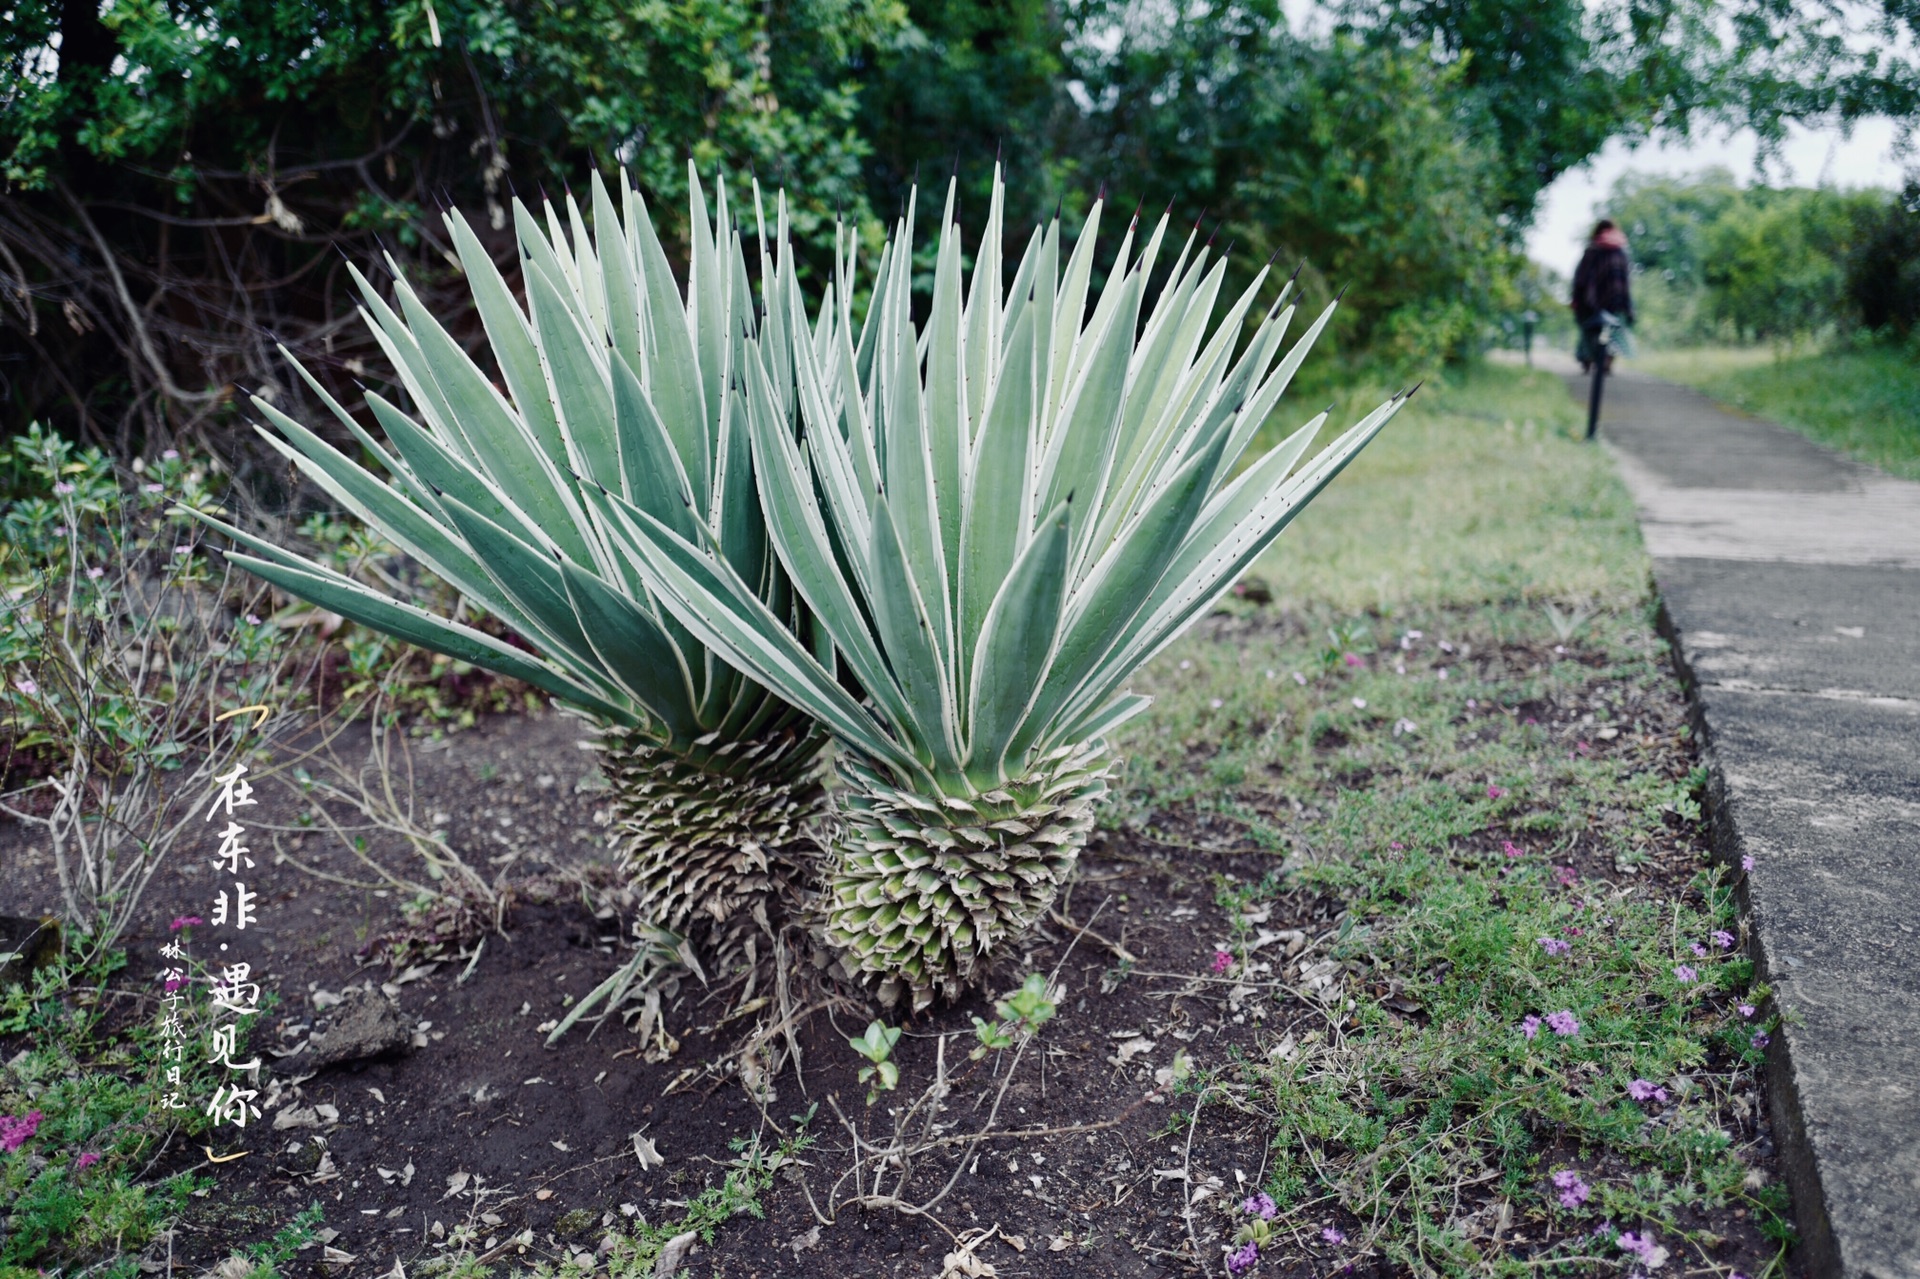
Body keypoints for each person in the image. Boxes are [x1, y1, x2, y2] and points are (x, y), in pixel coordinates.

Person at [1571, 219, 1634, 374]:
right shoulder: (1621, 252)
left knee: (1589, 331)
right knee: (1613, 331)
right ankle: (1606, 361)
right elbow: (1625, 281)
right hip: (1616, 301)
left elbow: (1580, 279)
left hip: (1590, 302)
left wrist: (1577, 299)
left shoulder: (1593, 250)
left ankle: (1590, 360)